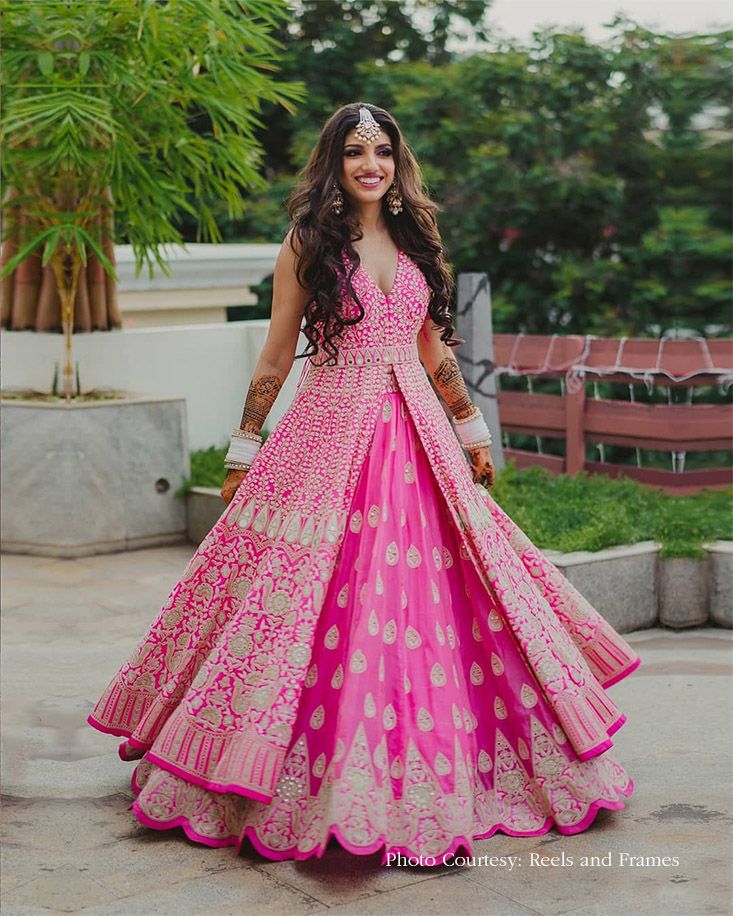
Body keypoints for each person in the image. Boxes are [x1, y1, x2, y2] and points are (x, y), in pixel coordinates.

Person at [88, 103, 641, 864]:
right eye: (354, 152)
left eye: (381, 150)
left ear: (397, 160)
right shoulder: (308, 243)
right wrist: (244, 449)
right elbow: (277, 356)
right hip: (329, 430)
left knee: (452, 590)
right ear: (334, 162)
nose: (370, 164)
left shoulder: (417, 239)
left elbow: (432, 348)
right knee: (300, 592)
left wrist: (471, 429)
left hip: (417, 431)